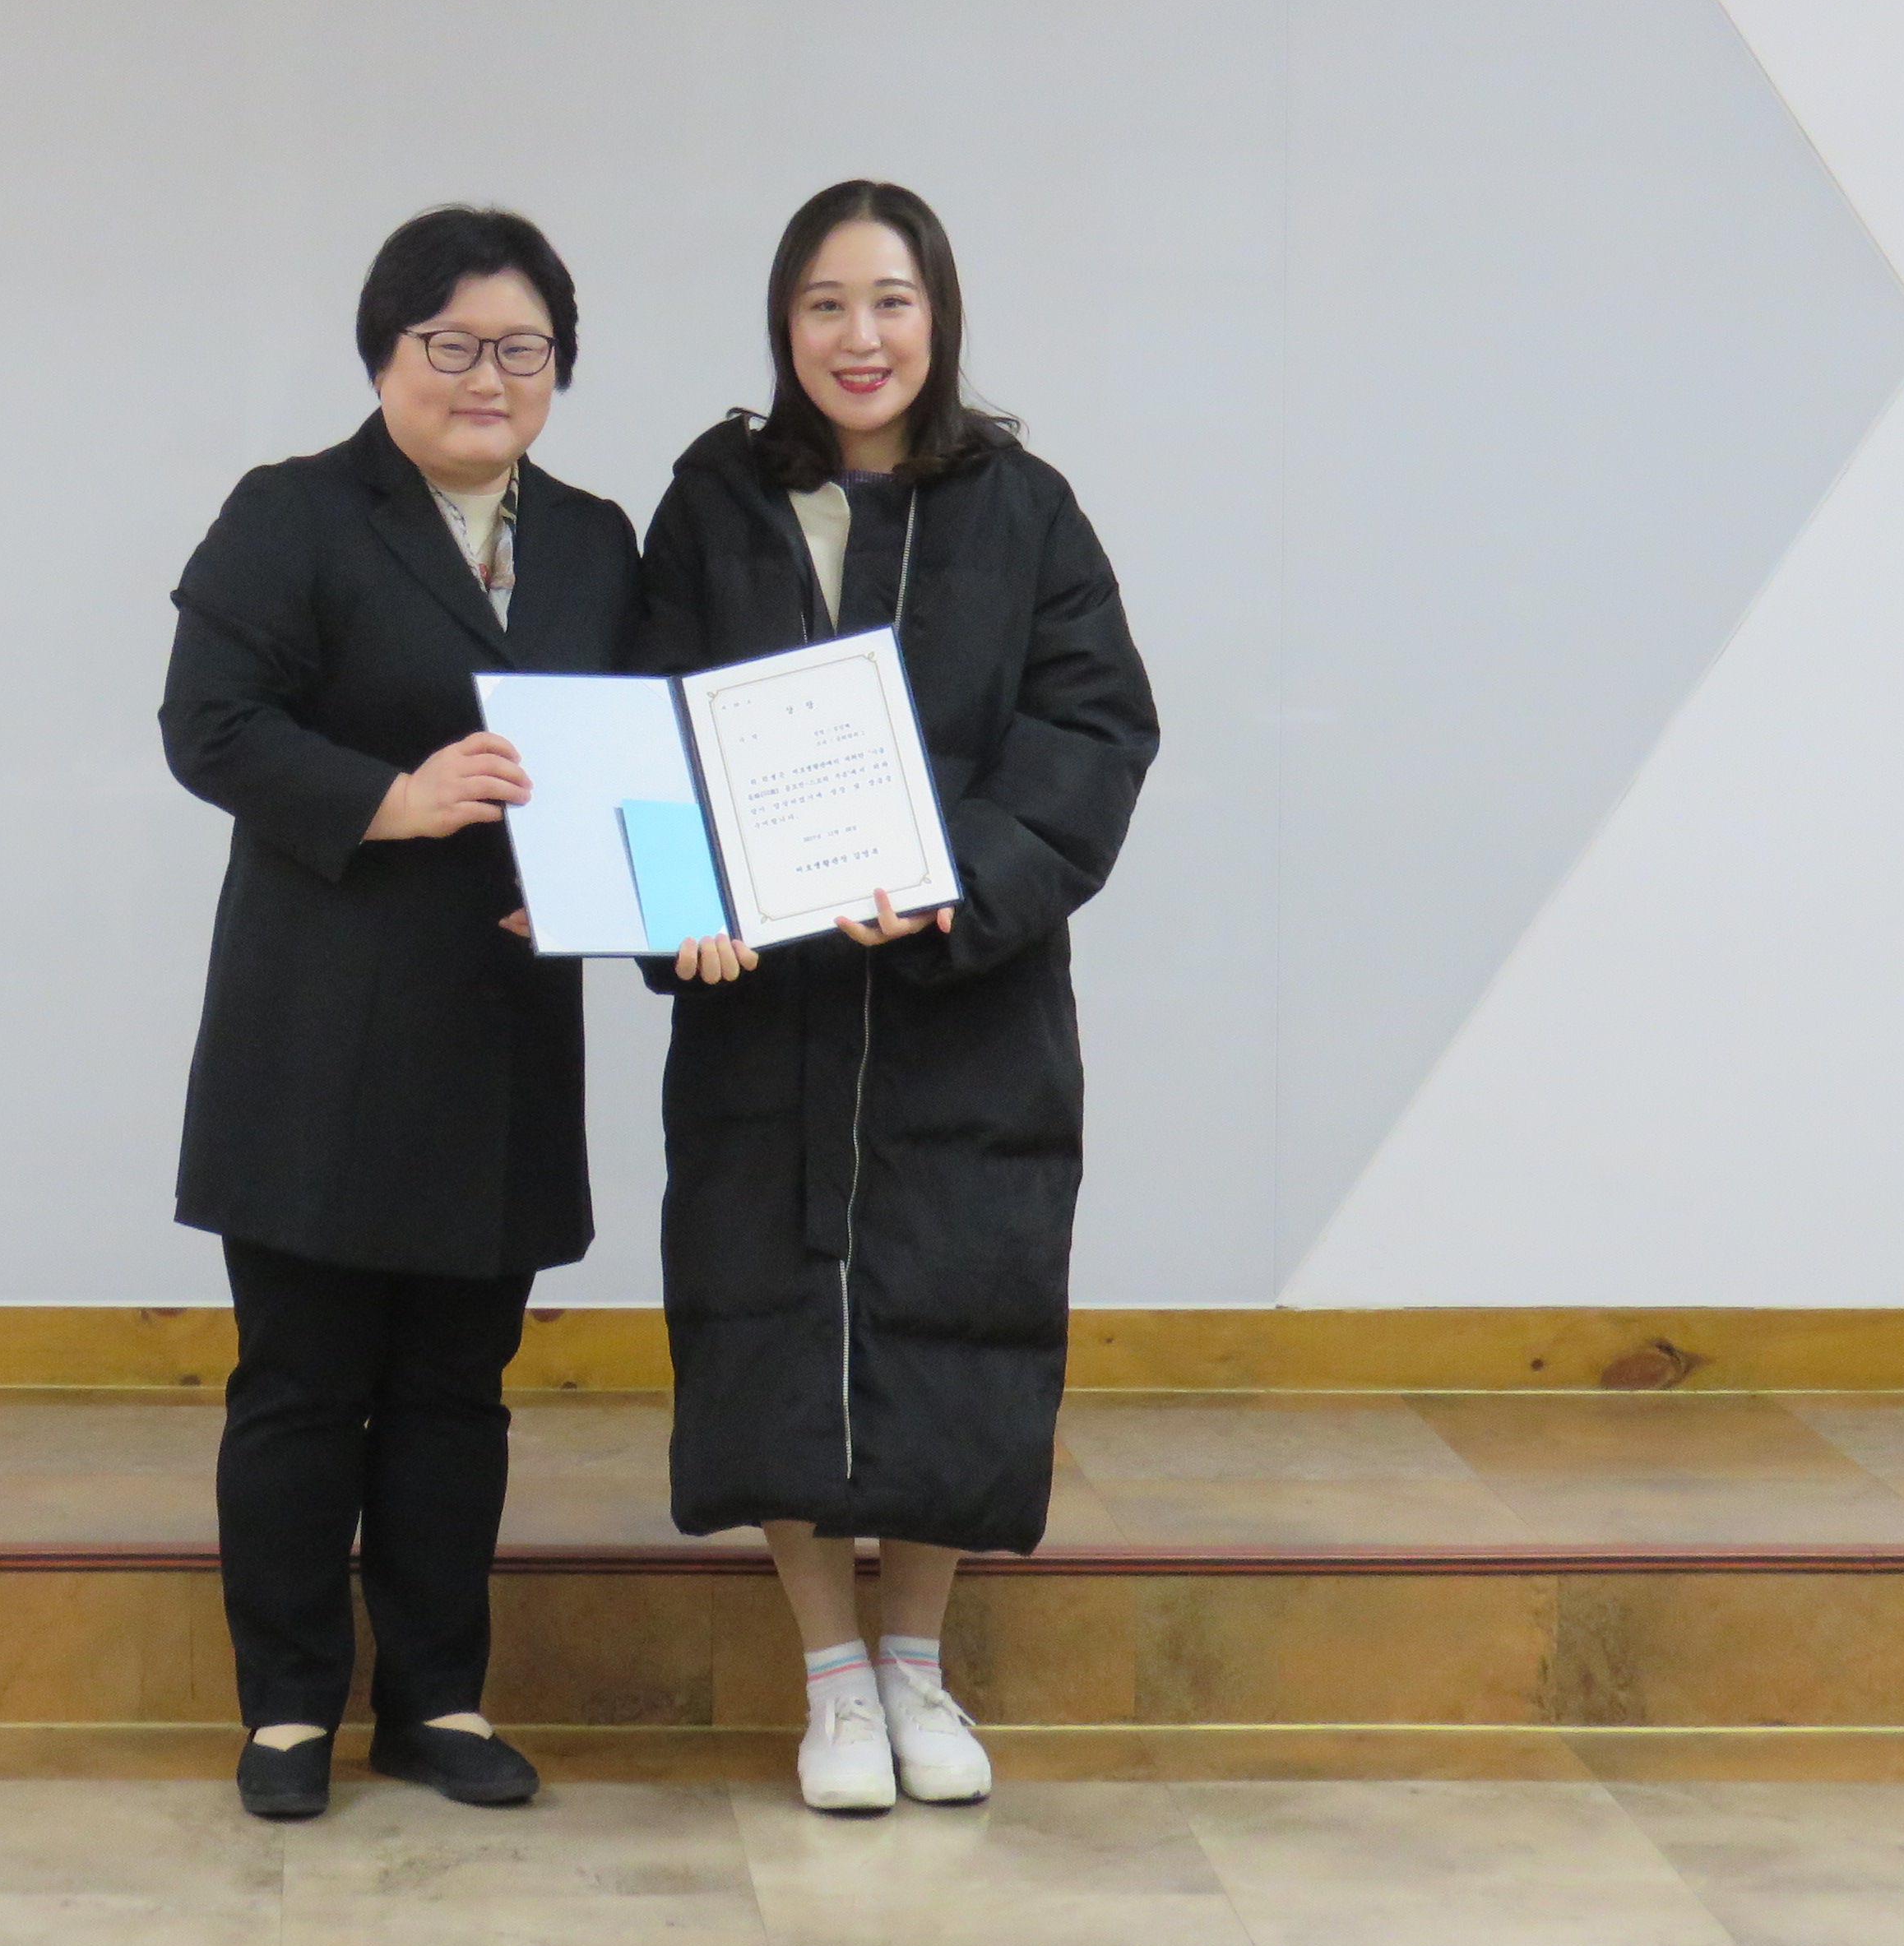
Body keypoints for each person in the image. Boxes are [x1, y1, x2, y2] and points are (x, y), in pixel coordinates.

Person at [638, 179, 1158, 1814]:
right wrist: (679, 908)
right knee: (772, 1321)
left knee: (957, 1317)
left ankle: (919, 1663)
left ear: (939, 316)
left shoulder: (1025, 510)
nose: (859, 337)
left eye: (890, 301)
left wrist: (959, 884)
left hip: (966, 1005)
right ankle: (830, 1678)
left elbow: (1093, 732)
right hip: (768, 1011)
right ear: (782, 326)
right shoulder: (715, 503)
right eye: (824, 305)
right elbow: (647, 728)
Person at [161, 206, 642, 1823]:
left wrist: (605, 885)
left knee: (457, 1387)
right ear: (385, 354)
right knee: (301, 1383)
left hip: (501, 1023)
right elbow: (211, 726)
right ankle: (290, 1709)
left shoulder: (596, 540)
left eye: (523, 348)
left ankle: (438, 1699)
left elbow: (630, 749)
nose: (487, 376)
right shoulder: (293, 513)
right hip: (319, 1024)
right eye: (452, 344)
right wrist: (397, 799)